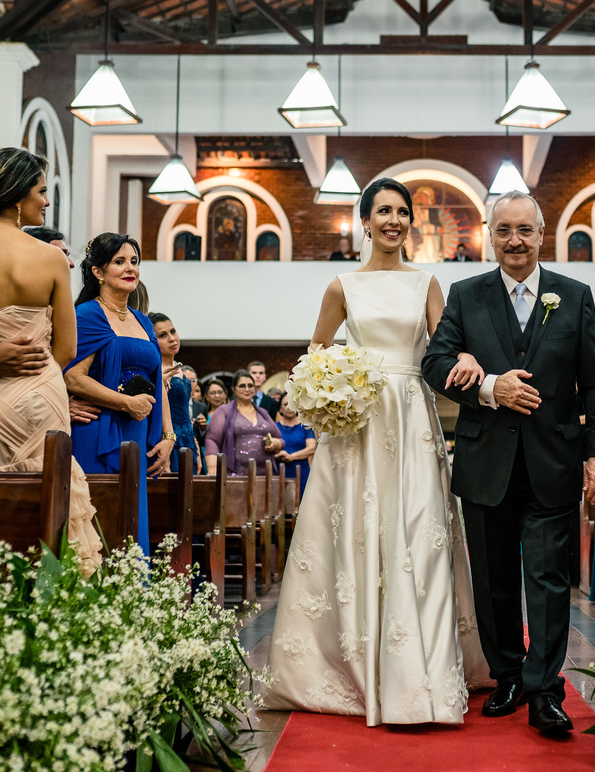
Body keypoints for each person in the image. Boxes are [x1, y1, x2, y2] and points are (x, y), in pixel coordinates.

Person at [265, 177, 489, 726]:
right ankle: (356, 661)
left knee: (420, 531)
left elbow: (442, 357)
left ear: (411, 222)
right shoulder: (342, 285)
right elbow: (313, 358)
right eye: (382, 210)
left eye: (402, 212)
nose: (393, 219)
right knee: (358, 534)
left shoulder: (427, 284)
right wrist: (332, 388)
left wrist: (470, 366)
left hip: (412, 415)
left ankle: (427, 674)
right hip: (358, 421)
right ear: (364, 221)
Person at [423, 189, 595, 736]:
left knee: (550, 579)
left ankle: (545, 689)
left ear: (540, 232)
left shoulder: (574, 296)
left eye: (524, 230)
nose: (514, 240)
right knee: (493, 578)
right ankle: (507, 672)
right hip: (487, 461)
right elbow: (434, 364)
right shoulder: (466, 295)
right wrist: (487, 387)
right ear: (490, 234)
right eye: (503, 230)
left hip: (554, 459)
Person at [0, 147, 100, 570]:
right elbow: (66, 349)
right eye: (41, 191)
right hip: (38, 399)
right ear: (16, 196)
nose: (46, 201)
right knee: (48, 508)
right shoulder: (49, 258)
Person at [63, 233, 175, 555]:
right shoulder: (87, 316)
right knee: (102, 519)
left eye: (134, 262)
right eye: (120, 262)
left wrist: (167, 434)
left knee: (131, 521)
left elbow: (157, 382)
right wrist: (126, 402)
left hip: (137, 433)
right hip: (98, 430)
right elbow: (73, 377)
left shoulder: (142, 320)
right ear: (98, 272)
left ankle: (130, 598)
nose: (130, 269)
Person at [149, 312, 202, 474]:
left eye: (173, 331)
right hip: (168, 438)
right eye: (163, 335)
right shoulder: (155, 371)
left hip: (187, 438)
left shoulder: (180, 370)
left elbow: (185, 413)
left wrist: (196, 446)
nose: (172, 338)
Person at [203, 369, 282, 475]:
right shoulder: (223, 411)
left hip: (265, 474)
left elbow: (280, 439)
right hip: (234, 474)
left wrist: (275, 444)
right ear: (234, 389)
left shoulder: (263, 413)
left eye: (250, 385)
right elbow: (212, 440)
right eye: (242, 386)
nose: (247, 389)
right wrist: (212, 468)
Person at [273, 391, 316, 497]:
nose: (289, 407)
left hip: (301, 472)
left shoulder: (306, 426)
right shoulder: (274, 427)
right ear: (280, 409)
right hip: (279, 472)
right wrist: (278, 455)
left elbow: (312, 448)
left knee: (301, 505)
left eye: (292, 404)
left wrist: (292, 456)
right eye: (285, 404)